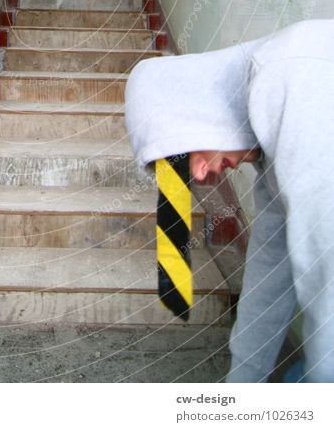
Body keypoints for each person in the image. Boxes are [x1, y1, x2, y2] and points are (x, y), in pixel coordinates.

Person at [124, 19, 334, 383]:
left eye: (184, 156)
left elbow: (325, 265)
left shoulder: (291, 77)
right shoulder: (269, 143)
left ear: (194, 114)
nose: (202, 175)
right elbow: (271, 266)